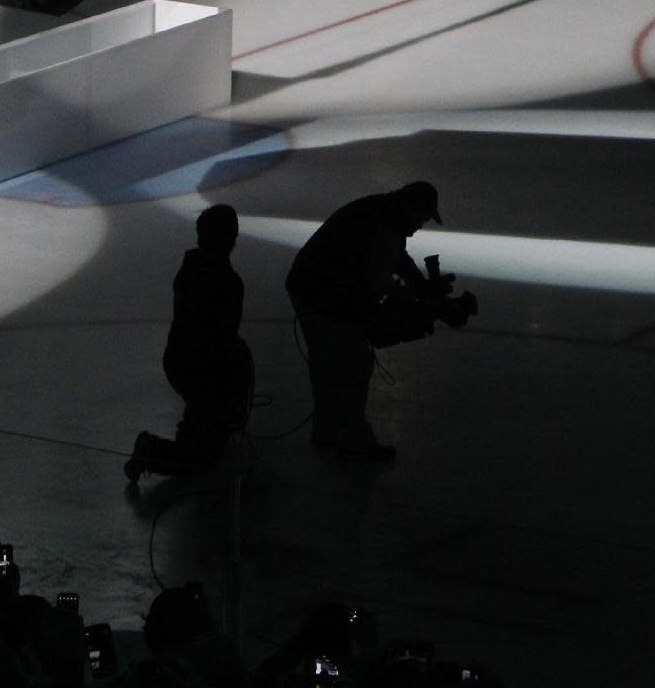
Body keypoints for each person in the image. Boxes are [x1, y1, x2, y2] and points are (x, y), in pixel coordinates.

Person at [284, 182, 442, 462]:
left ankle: (326, 431)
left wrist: (419, 285)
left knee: (325, 363)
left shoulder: (382, 211)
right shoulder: (387, 225)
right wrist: (413, 298)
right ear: (413, 208)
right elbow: (378, 278)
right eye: (423, 219)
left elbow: (396, 258)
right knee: (353, 363)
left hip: (308, 285)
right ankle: (355, 441)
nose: (420, 227)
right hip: (321, 294)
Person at [127, 206, 255, 483]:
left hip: (184, 362)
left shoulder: (191, 271)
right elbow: (220, 336)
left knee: (206, 431)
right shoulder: (225, 282)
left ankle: (189, 432)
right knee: (201, 456)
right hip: (199, 367)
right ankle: (152, 449)